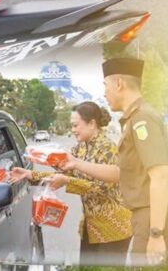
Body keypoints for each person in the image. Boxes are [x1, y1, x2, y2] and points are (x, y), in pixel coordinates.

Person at [59, 58, 168, 266]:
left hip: (149, 216)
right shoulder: (133, 119)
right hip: (142, 216)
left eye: (106, 86)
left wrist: (156, 233)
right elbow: (126, 172)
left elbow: (161, 175)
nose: (105, 94)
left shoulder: (142, 119)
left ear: (119, 83)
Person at [11, 101, 132, 266]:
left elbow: (102, 188)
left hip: (114, 227)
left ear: (91, 124)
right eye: (71, 126)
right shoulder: (80, 149)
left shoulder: (108, 149)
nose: (73, 130)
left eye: (76, 125)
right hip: (91, 227)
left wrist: (67, 181)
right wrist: (30, 174)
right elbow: (62, 174)